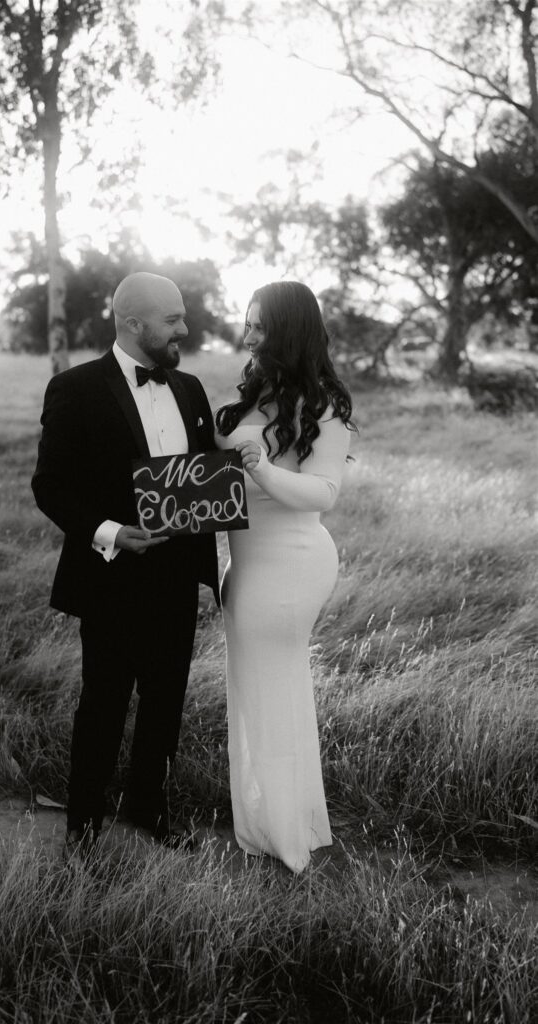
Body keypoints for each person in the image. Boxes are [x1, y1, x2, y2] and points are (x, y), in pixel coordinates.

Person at [32, 272, 219, 857]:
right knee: (104, 705)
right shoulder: (75, 388)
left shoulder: (190, 389)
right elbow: (51, 486)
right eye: (173, 320)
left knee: (166, 703)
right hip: (112, 576)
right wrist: (112, 531)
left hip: (175, 577)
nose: (184, 329)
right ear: (134, 324)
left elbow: (204, 476)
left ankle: (148, 807)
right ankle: (83, 826)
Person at [215, 280, 355, 873]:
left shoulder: (321, 404)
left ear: (289, 329)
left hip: (293, 559)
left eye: (260, 326)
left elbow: (323, 492)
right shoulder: (254, 394)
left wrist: (264, 472)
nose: (248, 335)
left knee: (272, 687)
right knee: (257, 688)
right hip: (246, 560)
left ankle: (284, 838)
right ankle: (275, 817)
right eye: (246, 324)